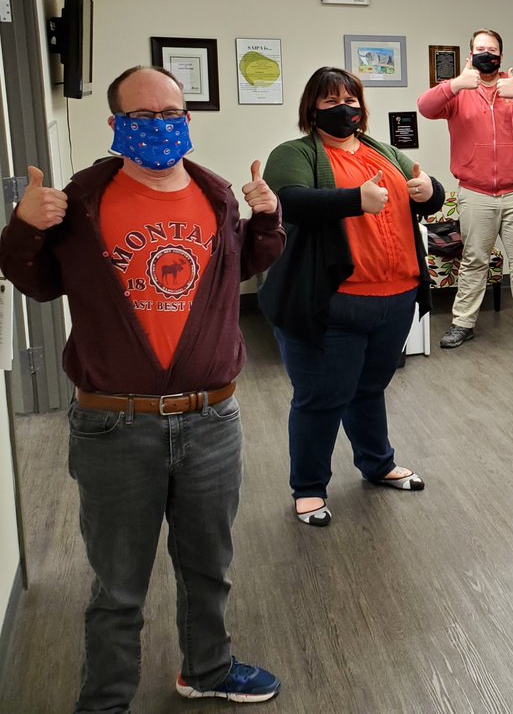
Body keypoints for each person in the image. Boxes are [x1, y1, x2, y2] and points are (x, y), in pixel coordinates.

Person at [0, 66, 284, 709]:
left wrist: (267, 219)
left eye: (171, 114)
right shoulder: (81, 204)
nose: (160, 126)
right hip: (114, 425)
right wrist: (23, 226)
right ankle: (105, 700)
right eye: (143, 116)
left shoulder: (216, 196)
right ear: (115, 123)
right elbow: (36, 282)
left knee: (208, 567)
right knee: (117, 586)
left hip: (212, 420)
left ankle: (207, 669)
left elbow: (243, 265)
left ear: (187, 118)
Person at [259, 67, 444, 527]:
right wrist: (353, 200)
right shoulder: (295, 152)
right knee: (321, 398)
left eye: (350, 99)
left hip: (395, 297)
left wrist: (431, 191)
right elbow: (290, 202)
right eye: (330, 101)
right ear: (311, 109)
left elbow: (422, 191)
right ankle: (308, 487)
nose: (343, 108)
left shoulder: (382, 150)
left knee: (369, 390)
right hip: (333, 302)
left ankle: (378, 464)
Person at [416, 29, 513, 348]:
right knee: (473, 261)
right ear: (470, 54)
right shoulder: (459, 90)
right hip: (475, 193)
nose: (486, 54)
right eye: (480, 49)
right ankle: (463, 323)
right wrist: (455, 84)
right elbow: (425, 107)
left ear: (501, 56)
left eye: (492, 50)